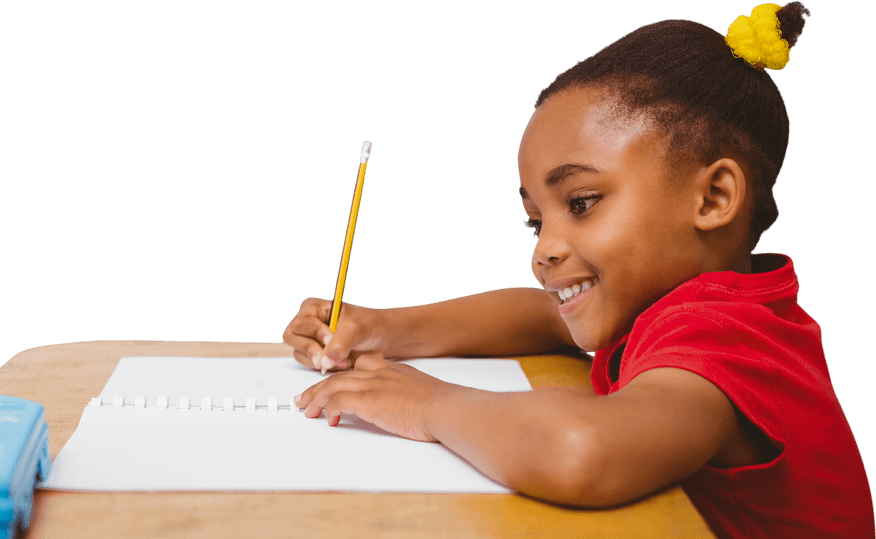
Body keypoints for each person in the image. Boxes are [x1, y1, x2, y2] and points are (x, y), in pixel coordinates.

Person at [283, 3, 873, 537]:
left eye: (582, 203)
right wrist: (383, 328)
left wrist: (428, 404)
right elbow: (543, 315)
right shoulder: (690, 305)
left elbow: (581, 451)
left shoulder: (724, 341)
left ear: (714, 197)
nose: (544, 251)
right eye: (535, 223)